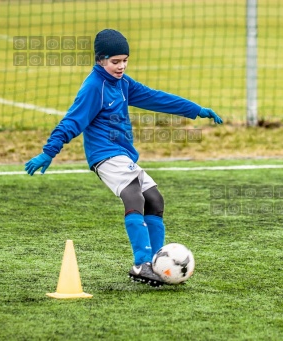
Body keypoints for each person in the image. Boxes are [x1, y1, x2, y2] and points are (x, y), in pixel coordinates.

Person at [24, 29, 222, 287]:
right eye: (115, 61)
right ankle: (141, 263)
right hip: (104, 155)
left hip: (122, 154)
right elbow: (73, 120)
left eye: (125, 60)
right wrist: (49, 151)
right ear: (100, 60)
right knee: (133, 195)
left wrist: (195, 109)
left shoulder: (124, 83)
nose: (121, 66)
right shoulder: (94, 87)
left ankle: (156, 263)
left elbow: (156, 98)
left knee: (154, 200)